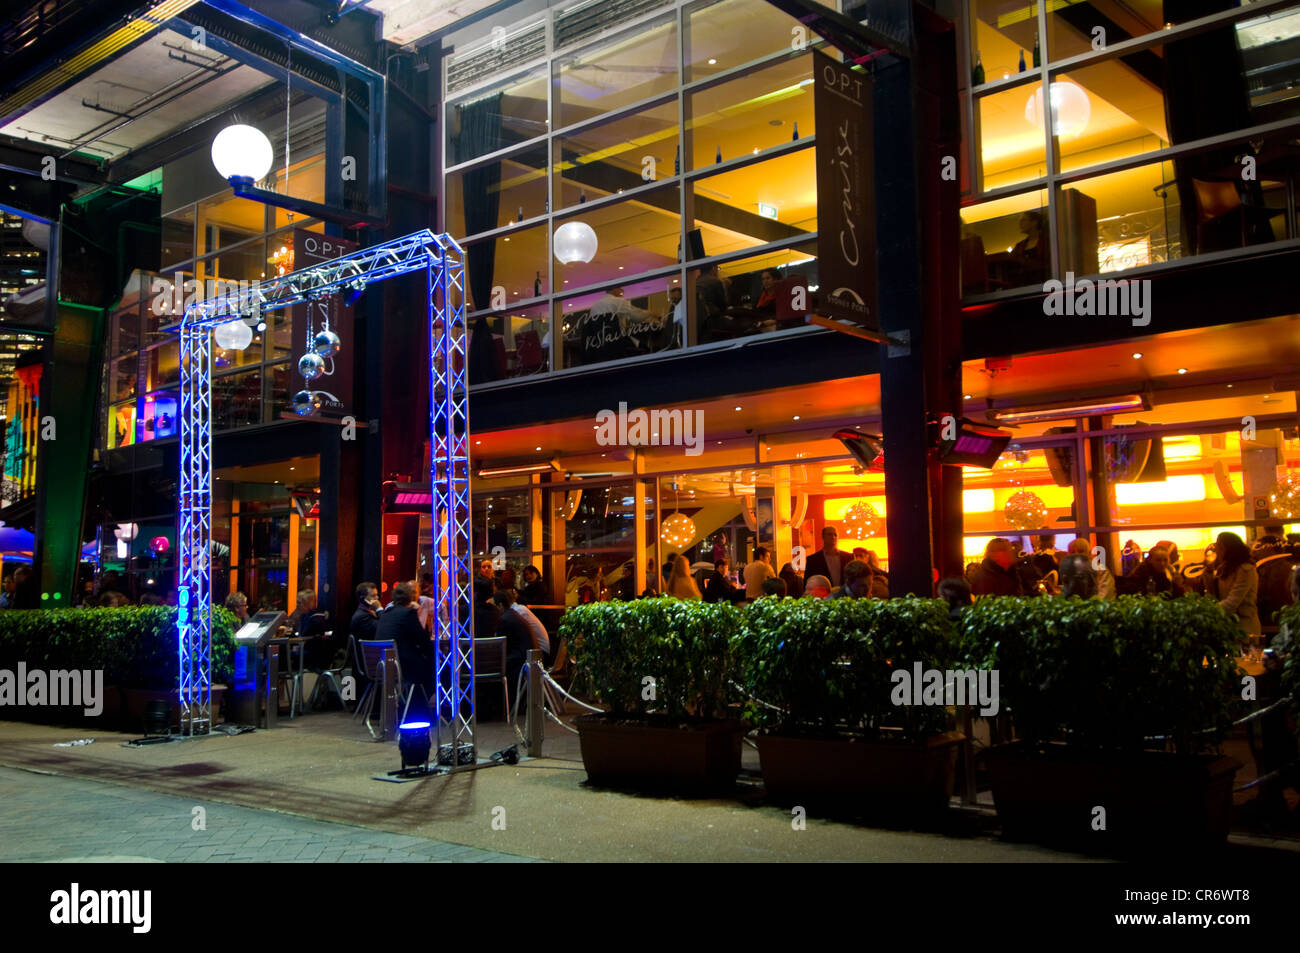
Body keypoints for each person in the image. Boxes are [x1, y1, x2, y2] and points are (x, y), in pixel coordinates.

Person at [377, 580, 433, 705]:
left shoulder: (385, 614)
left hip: (382, 666)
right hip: (402, 667)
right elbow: (423, 640)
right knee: (436, 667)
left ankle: (408, 705)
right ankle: (417, 707)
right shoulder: (408, 614)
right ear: (410, 598)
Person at [1211, 531, 1261, 645]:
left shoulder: (1245, 569)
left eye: (1218, 546)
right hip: (1229, 626)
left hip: (1244, 626)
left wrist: (1209, 611)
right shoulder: (1224, 568)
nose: (1216, 550)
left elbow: (1233, 600)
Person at [805, 526, 853, 590]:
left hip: (845, 596)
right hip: (823, 596)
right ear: (823, 537)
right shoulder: (813, 560)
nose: (833, 537)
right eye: (829, 534)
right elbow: (808, 582)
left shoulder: (848, 557)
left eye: (835, 535)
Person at [474, 558, 499, 637]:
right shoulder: (478, 581)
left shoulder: (497, 581)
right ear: (480, 569)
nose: (486, 569)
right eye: (483, 567)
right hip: (483, 612)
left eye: (489, 566)